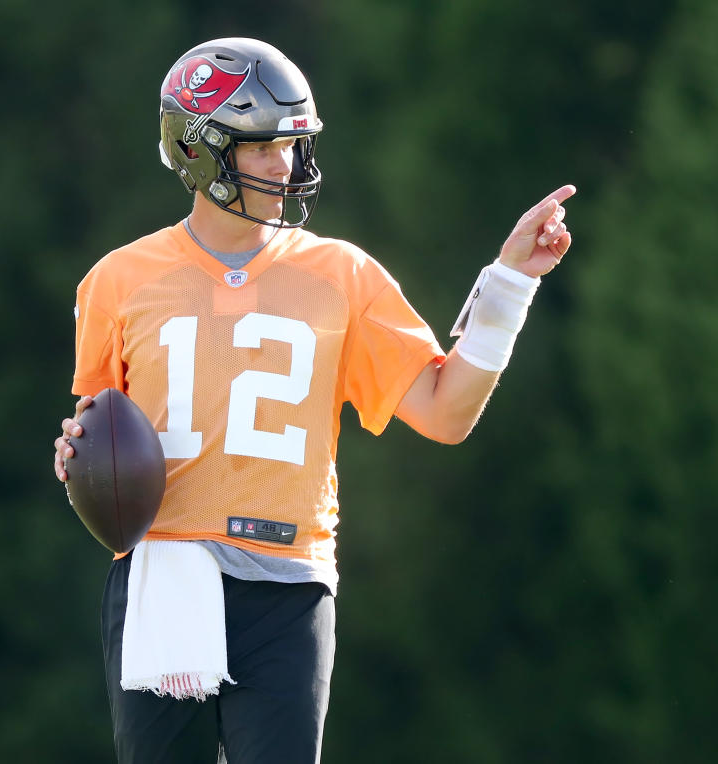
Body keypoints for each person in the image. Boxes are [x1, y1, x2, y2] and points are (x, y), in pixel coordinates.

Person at [51, 37, 574, 763]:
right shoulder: (118, 280)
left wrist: (511, 286)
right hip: (163, 574)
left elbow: (446, 412)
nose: (285, 165)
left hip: (288, 582)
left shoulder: (343, 275)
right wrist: (74, 457)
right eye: (263, 146)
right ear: (199, 149)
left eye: (294, 145)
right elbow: (101, 435)